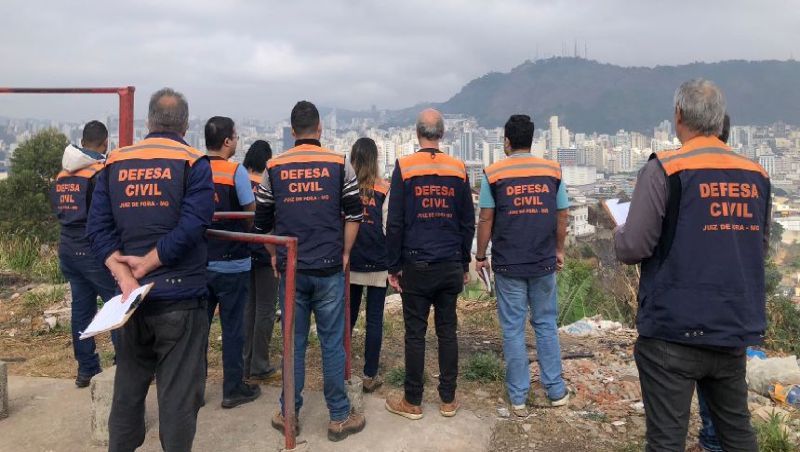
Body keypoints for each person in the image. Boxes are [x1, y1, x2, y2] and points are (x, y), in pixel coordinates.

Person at [614, 80, 769, 452]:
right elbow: (756, 248)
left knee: (667, 440)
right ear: (718, 120)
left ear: (679, 116)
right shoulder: (756, 175)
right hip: (731, 329)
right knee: (736, 433)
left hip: (672, 330)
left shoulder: (665, 169)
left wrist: (620, 233)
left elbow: (634, 246)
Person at [87, 88, 215, 452]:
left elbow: (97, 227)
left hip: (129, 301)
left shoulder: (115, 161)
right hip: (179, 298)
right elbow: (195, 223)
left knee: (128, 388)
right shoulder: (193, 161)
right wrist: (151, 261)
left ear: (149, 121)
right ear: (186, 124)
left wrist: (125, 275)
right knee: (177, 399)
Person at [254, 100, 366, 442]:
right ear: (319, 129)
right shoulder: (338, 163)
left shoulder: (273, 167)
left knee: (294, 343)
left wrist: (275, 256)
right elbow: (354, 215)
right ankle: (338, 417)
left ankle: (289, 412)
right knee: (333, 343)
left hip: (291, 270)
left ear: (292, 133)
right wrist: (345, 252)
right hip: (329, 266)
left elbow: (262, 225)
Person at [474, 114, 570, 417]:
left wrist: (479, 256)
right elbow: (563, 214)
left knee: (513, 329)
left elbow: (486, 218)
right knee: (545, 324)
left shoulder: (493, 173)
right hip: (543, 262)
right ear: (532, 140)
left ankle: (518, 397)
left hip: (508, 264)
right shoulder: (552, 170)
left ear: (506, 142)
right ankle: (555, 391)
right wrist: (559, 249)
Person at [384, 108, 475, 420]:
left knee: (415, 333)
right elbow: (467, 222)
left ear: (417, 133)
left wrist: (393, 266)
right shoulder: (458, 168)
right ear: (443, 134)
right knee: (447, 331)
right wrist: (463, 262)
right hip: (450, 262)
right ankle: (448, 399)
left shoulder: (405, 167)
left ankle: (413, 401)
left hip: (416, 264)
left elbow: (395, 222)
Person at [50, 120, 118, 388]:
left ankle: (86, 369)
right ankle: (125, 366)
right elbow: (107, 212)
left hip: (67, 248)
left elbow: (58, 211)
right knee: (116, 307)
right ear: (104, 143)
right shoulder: (98, 173)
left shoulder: (62, 175)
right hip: (93, 249)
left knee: (82, 309)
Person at [204, 116, 261, 408]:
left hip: (201, 264)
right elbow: (250, 212)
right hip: (232, 263)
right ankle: (232, 388)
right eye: (236, 137)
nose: (237, 141)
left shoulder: (195, 168)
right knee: (233, 329)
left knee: (198, 332)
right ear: (227, 141)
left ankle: (191, 390)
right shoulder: (235, 172)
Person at [692, 113, 731, 452]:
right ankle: (712, 440)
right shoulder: (753, 177)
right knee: (725, 385)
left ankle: (710, 441)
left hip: (694, 302)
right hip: (735, 306)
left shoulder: (684, 177)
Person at [348, 137, 390, 393]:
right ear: (375, 160)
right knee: (374, 319)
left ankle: (342, 370)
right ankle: (369, 374)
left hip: (350, 261)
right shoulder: (385, 188)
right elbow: (388, 228)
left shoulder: (346, 187)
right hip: (377, 261)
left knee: (348, 317)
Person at [242, 140, 279, 380]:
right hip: (266, 253)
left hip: (243, 252)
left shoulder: (241, 181)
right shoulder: (268, 184)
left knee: (249, 308)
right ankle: (260, 363)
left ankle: (246, 361)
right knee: (265, 308)